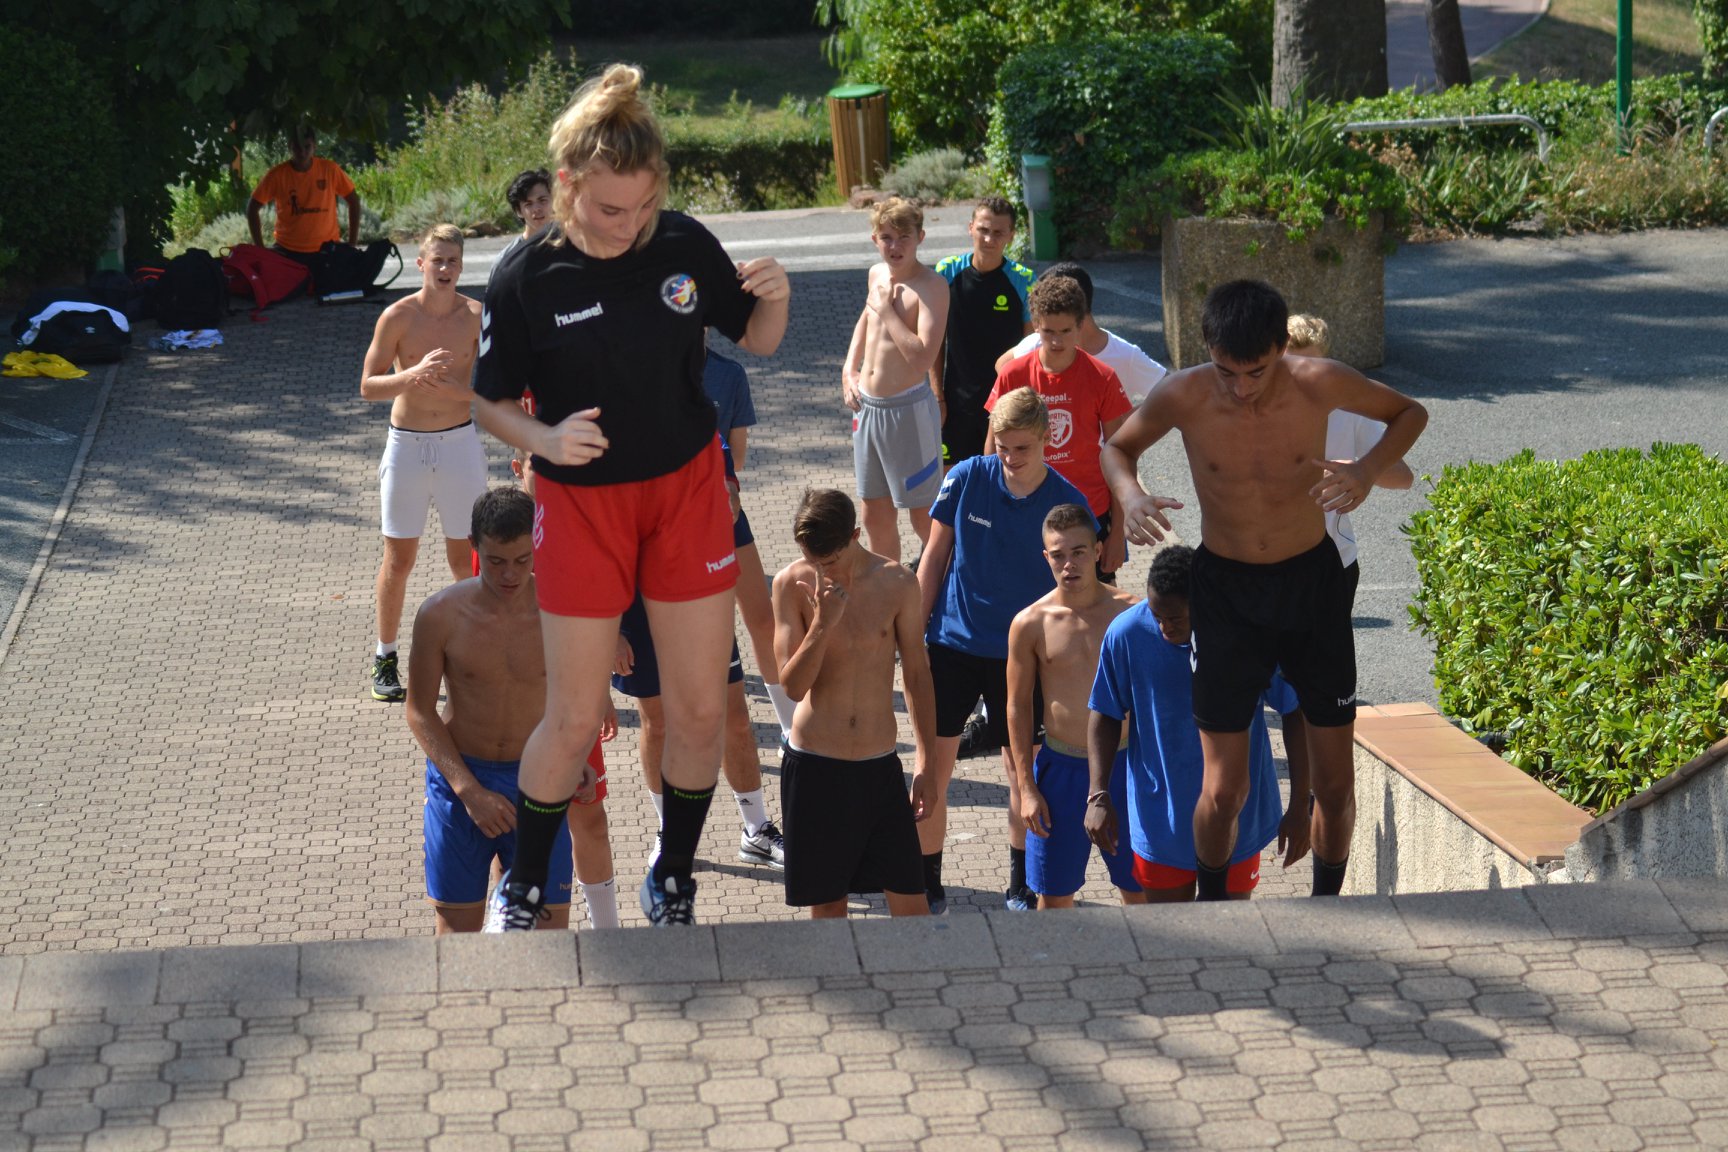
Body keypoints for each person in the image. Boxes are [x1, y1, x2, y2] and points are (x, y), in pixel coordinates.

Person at [472, 64, 789, 929]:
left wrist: (779, 303)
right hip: (582, 505)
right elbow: (483, 398)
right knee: (574, 717)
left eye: (643, 208)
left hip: (687, 491)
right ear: (567, 186)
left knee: (696, 707)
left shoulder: (682, 245)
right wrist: (540, 441)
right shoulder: (526, 276)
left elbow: (755, 341)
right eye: (611, 211)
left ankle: (675, 877)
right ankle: (527, 885)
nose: (629, 226)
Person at [1101, 279, 1427, 900]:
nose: (1242, 387)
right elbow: (1118, 448)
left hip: (1313, 584)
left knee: (1334, 783)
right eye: (1228, 371)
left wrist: (1366, 469)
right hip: (1225, 591)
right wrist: (1132, 495)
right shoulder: (1184, 393)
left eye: (1257, 371)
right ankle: (1213, 904)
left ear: (1282, 348)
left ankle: (1327, 906)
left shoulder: (1319, 381)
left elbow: (1410, 413)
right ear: (1207, 349)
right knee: (1224, 787)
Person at [407, 488, 617, 933]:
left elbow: (579, 692)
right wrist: (469, 792)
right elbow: (419, 711)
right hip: (461, 783)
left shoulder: (562, 611)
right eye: (497, 561)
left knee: (547, 939)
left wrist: (576, 756)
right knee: (456, 939)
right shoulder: (440, 615)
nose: (509, 574)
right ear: (475, 546)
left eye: (523, 561)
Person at [914, 388, 1092, 913]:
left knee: (1025, 773)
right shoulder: (966, 477)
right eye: (1003, 447)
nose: (1010, 460)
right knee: (933, 768)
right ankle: (929, 882)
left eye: (1022, 449)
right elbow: (933, 558)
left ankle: (1021, 880)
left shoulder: (1067, 504)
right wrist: (912, 638)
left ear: (1046, 441)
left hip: (1024, 657)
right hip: (952, 645)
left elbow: (1080, 589)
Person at [1085, 545, 1310, 902]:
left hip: (1239, 820)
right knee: (1175, 944)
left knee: (1227, 932)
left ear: (1202, 600)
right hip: (1161, 823)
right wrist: (1097, 794)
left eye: (1175, 618)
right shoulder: (1126, 634)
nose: (1163, 627)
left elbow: (1295, 712)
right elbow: (1105, 713)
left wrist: (1300, 805)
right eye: (1156, 615)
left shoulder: (1250, 633)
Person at [612, 442, 784, 870]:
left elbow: (719, 448)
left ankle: (756, 830)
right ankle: (669, 834)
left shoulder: (687, 412)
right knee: (659, 722)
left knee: (735, 718)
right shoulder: (604, 428)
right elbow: (595, 540)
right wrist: (610, 627)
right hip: (635, 600)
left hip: (697, 597)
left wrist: (727, 485)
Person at [772, 489, 935, 918]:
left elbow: (917, 674)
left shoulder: (897, 582)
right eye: (814, 560)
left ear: (856, 535)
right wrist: (823, 625)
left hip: (878, 767)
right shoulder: (791, 584)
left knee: (912, 908)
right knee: (829, 913)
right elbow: (792, 686)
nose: (822, 571)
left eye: (831, 561)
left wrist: (926, 761)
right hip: (815, 767)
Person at [358, 224, 488, 702]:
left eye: (453, 261)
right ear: (421, 264)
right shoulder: (398, 316)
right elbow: (368, 386)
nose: (446, 269)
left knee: (466, 558)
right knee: (399, 557)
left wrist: (460, 391)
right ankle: (385, 655)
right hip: (407, 445)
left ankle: (474, 653)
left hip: (458, 443)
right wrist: (410, 376)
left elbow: (495, 387)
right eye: (438, 261)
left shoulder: (476, 315)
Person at [1007, 504, 1144, 909]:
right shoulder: (1030, 623)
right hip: (1059, 773)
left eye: (1079, 551)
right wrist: (1026, 788)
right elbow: (1015, 709)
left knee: (1142, 893)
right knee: (1053, 901)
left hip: (1124, 767)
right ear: (1045, 557)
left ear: (1099, 550)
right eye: (1059, 554)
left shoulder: (1132, 614)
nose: (1070, 564)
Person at [986, 275, 1134, 580]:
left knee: (1092, 607)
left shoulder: (1102, 378)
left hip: (1088, 510)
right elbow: (991, 450)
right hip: (1026, 507)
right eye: (1048, 331)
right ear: (1036, 326)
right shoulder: (1013, 375)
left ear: (1081, 326)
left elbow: (1121, 455)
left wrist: (1118, 532)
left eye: (1066, 331)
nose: (1056, 341)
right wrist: (993, 513)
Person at [841, 197, 949, 564]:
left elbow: (921, 357)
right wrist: (849, 369)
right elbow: (865, 319)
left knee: (925, 519)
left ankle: (948, 596)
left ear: (920, 236)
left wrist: (887, 309)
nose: (895, 245)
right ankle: (888, 597)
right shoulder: (876, 274)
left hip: (907, 412)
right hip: (867, 409)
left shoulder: (932, 287)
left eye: (904, 236)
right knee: (874, 515)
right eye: (887, 236)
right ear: (875, 238)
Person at [1285, 314, 1415, 601]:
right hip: (1268, 566)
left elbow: (1403, 477)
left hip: (1334, 562)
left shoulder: (1348, 408)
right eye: (1289, 367)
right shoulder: (1252, 407)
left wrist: (1361, 471)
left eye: (1311, 367)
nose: (1300, 378)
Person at [703, 345, 796, 736]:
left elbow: (736, 460)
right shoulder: (642, 367)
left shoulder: (730, 374)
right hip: (671, 523)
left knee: (760, 616)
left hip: (724, 514)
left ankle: (792, 728)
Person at [933, 197, 1034, 464]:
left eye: (998, 232)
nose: (989, 239)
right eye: (983, 230)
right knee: (950, 482)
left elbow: (1031, 345)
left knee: (998, 477)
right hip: (956, 401)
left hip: (1005, 400)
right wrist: (937, 394)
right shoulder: (947, 271)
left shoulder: (1023, 280)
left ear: (1011, 236)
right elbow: (935, 340)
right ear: (970, 228)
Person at [994, 262, 1167, 405]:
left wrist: (1134, 426)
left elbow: (1172, 391)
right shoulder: (1036, 343)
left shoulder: (1124, 356)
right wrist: (1026, 408)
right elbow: (1003, 366)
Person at [247, 120, 361, 261]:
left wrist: (352, 244)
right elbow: (252, 208)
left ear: (315, 146)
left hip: (327, 251)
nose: (302, 152)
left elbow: (353, 201)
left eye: (307, 147)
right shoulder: (277, 175)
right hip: (288, 252)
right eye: (297, 147)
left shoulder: (330, 169)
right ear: (290, 147)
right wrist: (260, 249)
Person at [492, 169, 554, 279]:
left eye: (542, 200)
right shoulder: (506, 261)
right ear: (518, 211)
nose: (536, 209)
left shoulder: (576, 249)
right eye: (528, 204)